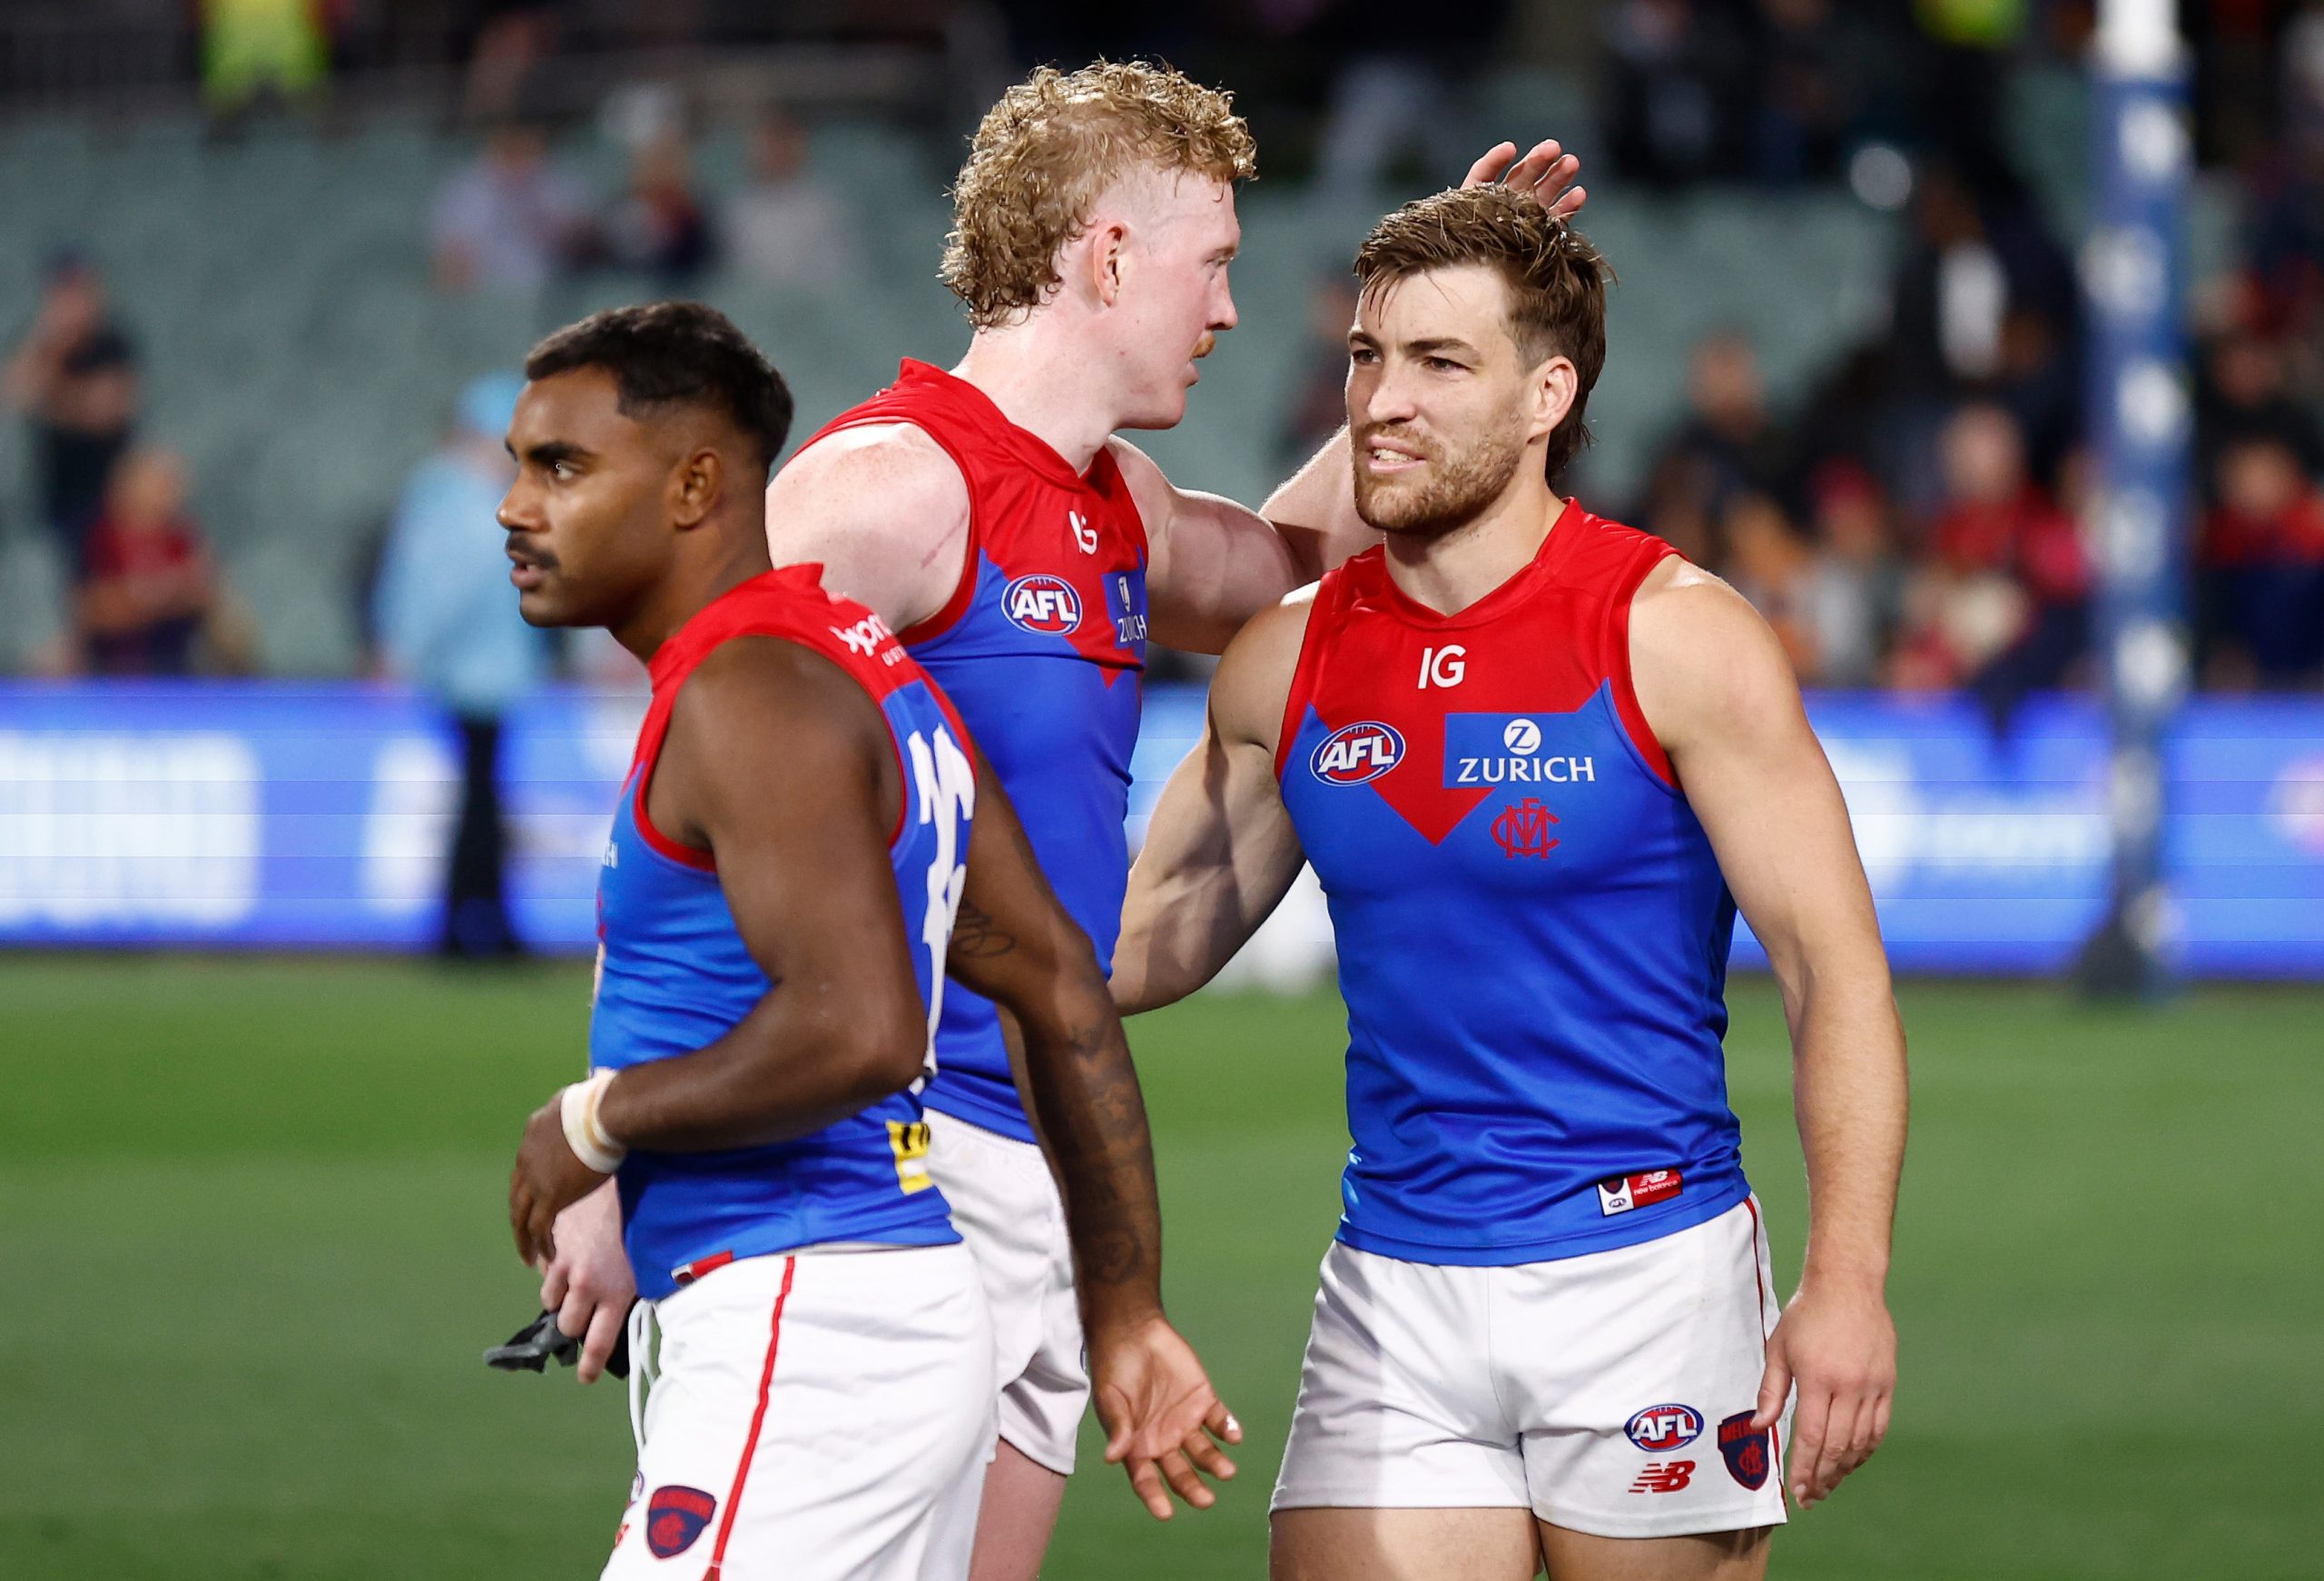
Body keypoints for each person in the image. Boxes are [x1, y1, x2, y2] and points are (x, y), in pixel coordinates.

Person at [532, 61, 1589, 1581]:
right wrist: (626, 1151)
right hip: (868, 1170)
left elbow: (1288, 560)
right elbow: (689, 822)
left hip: (1039, 1163)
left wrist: (1449, 366)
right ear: (1106, 258)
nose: (1226, 310)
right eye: (1211, 262)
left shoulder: (1115, 503)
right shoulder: (890, 488)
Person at [1111, 184, 1906, 1581]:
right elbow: (1140, 947)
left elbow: (1833, 971)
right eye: (1367, 357)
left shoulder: (1679, 637)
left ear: (1549, 394)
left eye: (1438, 363)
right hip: (1393, 1287)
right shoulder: (1282, 658)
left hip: (1650, 1273)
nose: (1381, 402)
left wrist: (1847, 1282)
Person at [497, 302, 1235, 1580]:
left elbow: (863, 1027)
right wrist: (1123, 1310)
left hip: (801, 1312)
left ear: (692, 487)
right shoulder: (871, 669)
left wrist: (593, 1123)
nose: (515, 504)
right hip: (891, 1307)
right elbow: (1062, 981)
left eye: (560, 466)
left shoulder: (753, 690)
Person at [372, 373, 548, 956]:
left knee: (479, 794)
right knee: (479, 796)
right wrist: (406, 650)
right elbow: (444, 589)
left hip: (479, 674)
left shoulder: (446, 496)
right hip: (478, 677)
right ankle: (476, 923)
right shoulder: (464, 504)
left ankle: (469, 918)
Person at [3, 250, 139, 570]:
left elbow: (107, 410)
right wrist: (49, 346)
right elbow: (13, 392)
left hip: (114, 495)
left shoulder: (112, 345)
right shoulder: (41, 346)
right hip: (60, 495)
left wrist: (48, 398)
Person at [74, 446, 221, 676]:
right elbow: (93, 610)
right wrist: (160, 595)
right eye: (157, 484)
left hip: (175, 669)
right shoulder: (97, 536)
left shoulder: (182, 538)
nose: (167, 494)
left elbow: (202, 593)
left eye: (171, 485)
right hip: (108, 674)